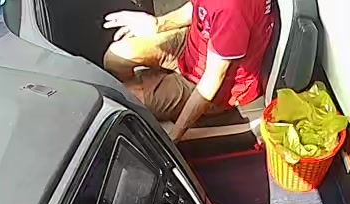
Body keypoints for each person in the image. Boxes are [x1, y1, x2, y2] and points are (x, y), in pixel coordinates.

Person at [102, 0, 276, 143]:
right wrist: (158, 24)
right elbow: (198, 6)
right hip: (194, 42)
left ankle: (151, 97)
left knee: (125, 98)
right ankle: (152, 93)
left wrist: (174, 136)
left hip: (215, 84)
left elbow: (211, 82)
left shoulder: (231, 9)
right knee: (115, 57)